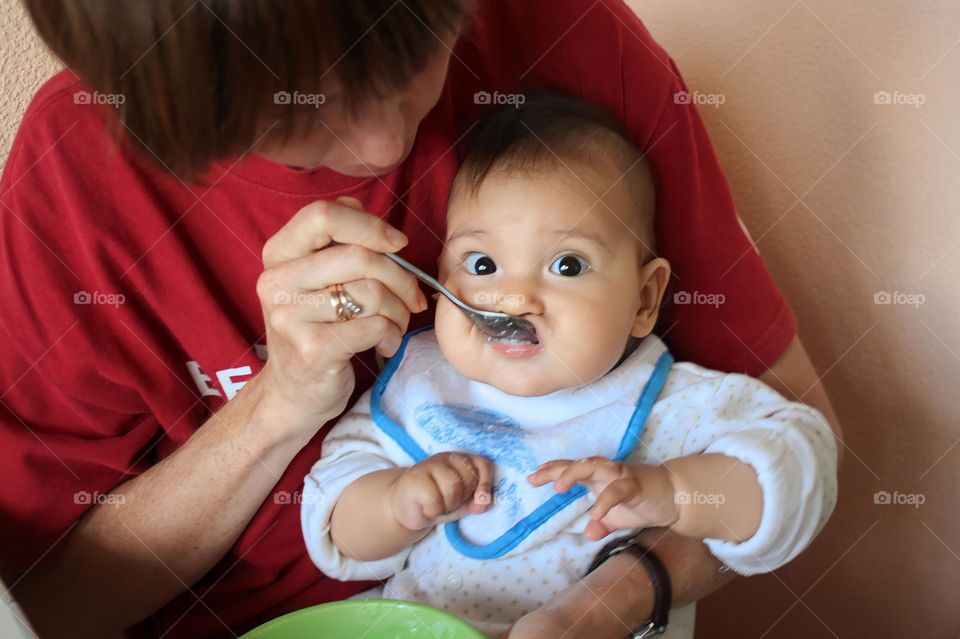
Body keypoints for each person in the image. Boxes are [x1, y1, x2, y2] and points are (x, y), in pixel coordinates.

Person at [0, 1, 842, 637]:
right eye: (292, 117)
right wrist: (282, 401)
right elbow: (50, 603)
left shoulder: (570, 42)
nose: (381, 148)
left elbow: (795, 438)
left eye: (408, 61)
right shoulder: (75, 176)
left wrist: (614, 595)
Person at [301, 95, 838, 638]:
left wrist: (674, 491)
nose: (514, 297)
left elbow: (800, 474)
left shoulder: (676, 407)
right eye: (482, 264)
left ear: (645, 299)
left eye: (567, 264)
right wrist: (395, 503)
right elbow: (334, 527)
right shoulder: (425, 385)